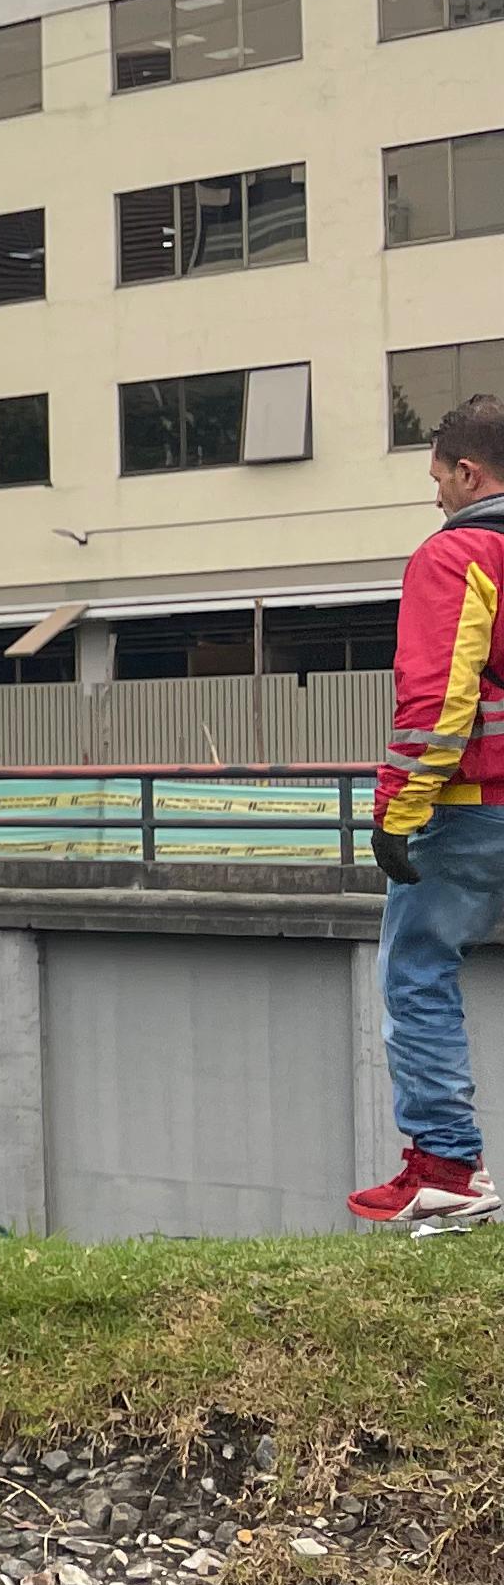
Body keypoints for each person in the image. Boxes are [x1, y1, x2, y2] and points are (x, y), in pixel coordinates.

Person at [354, 392, 504, 1229]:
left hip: (478, 807)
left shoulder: (458, 554)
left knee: (417, 970)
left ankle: (447, 1168)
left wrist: (397, 810)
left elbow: (439, 701)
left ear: (469, 472)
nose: (435, 494)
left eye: (440, 477)